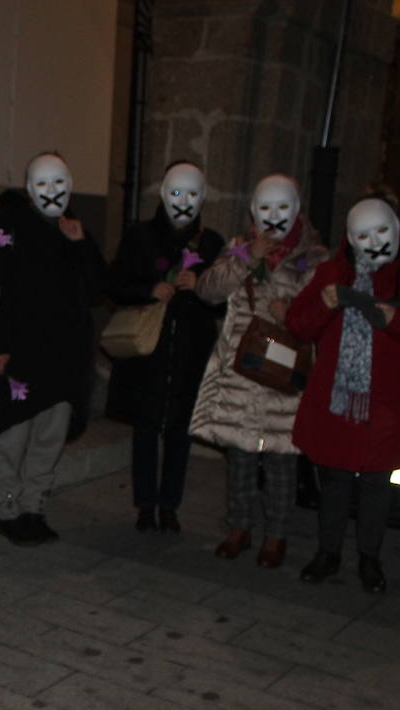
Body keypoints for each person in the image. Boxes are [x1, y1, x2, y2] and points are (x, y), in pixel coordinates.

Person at [287, 196, 400, 593]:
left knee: (378, 484)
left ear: (398, 229)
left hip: (387, 406)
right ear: (350, 239)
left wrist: (397, 319)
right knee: (335, 480)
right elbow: (299, 325)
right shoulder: (332, 272)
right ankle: (328, 554)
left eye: (382, 231)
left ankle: (369, 558)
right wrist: (326, 305)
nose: (375, 241)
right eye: (364, 235)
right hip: (338, 402)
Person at [191, 174, 327, 568]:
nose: (273, 217)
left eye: (282, 208)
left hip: (286, 374)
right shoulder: (238, 250)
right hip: (242, 371)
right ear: (252, 212)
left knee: (283, 461)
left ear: (297, 210)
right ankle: (239, 527)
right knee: (241, 458)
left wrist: (292, 315)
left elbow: (323, 314)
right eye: (264, 208)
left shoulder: (314, 258)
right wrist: (248, 256)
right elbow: (207, 290)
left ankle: (276, 536)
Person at [0, 152, 105, 545]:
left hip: (64, 359)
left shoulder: (76, 230)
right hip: (20, 354)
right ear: (30, 188)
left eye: (59, 183)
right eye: (43, 184)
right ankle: (8, 509)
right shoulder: (7, 226)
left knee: (49, 438)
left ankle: (34, 507)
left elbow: (102, 287)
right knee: (14, 437)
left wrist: (81, 244)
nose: (52, 192)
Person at [108, 161, 223, 533]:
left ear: (203, 197)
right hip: (149, 352)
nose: (183, 202)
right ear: (162, 195)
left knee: (179, 432)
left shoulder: (211, 243)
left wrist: (201, 285)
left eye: (192, 194)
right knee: (145, 429)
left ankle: (170, 505)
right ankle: (145, 504)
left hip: (190, 351)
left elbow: (224, 301)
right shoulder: (140, 236)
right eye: (176, 193)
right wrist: (149, 289)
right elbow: (115, 284)